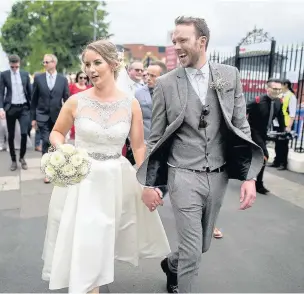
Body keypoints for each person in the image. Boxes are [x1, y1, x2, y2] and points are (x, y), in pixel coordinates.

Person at [136, 16, 263, 293]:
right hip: (182, 176)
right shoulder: (166, 84)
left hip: (218, 176)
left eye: (182, 40)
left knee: (201, 245)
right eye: (173, 42)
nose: (176, 47)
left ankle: (171, 265)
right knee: (193, 251)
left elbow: (242, 126)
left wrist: (250, 177)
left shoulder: (229, 76)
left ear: (201, 41)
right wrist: (149, 183)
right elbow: (155, 137)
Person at [41, 40, 170, 294]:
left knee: (103, 238)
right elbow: (56, 133)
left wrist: (145, 184)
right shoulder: (76, 102)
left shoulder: (130, 103)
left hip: (114, 180)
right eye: (87, 64)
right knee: (88, 238)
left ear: (113, 64)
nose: (91, 69)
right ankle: (89, 288)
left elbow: (139, 147)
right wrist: (64, 149)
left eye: (97, 62)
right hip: (82, 180)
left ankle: (92, 284)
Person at [31, 54, 70, 183]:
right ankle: (48, 171)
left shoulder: (62, 80)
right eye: (44, 62)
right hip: (42, 116)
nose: (44, 64)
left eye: (46, 62)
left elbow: (67, 99)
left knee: (57, 144)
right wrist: (33, 118)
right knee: (46, 142)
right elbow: (34, 99)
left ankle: (57, 167)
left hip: (58, 117)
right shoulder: (38, 78)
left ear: (54, 63)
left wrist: (69, 117)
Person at [247, 79, 286, 194]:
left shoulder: (279, 102)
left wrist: (283, 130)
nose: (277, 91)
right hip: (253, 131)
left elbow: (280, 116)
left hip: (264, 133)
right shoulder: (257, 101)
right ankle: (258, 184)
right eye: (274, 89)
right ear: (267, 88)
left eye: (279, 89)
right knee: (264, 155)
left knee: (255, 156)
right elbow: (242, 111)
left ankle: (249, 175)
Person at [0, 54, 32, 171]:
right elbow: (1, 92)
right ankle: (13, 160)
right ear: (10, 64)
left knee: (24, 133)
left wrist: (32, 107)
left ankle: (22, 157)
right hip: (11, 108)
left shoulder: (24, 74)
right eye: (12, 67)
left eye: (16, 67)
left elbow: (30, 91)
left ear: (19, 64)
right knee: (11, 135)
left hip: (24, 107)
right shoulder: (4, 75)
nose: (14, 69)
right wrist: (1, 108)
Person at [270, 79, 297, 170]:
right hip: (277, 123)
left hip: (285, 123)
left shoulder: (291, 96)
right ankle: (276, 161)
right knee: (277, 143)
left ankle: (283, 163)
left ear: (286, 85)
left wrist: (289, 126)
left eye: (281, 84)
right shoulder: (281, 95)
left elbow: (292, 113)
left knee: (284, 144)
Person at [68, 71, 91, 140]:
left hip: (84, 114)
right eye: (81, 77)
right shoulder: (72, 86)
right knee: (74, 135)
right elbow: (67, 99)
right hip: (73, 113)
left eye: (85, 78)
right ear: (77, 78)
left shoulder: (89, 88)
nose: (83, 79)